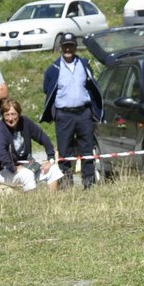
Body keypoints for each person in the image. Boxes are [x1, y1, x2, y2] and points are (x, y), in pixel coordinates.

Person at [40, 32, 103, 190]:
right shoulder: (54, 69)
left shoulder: (84, 64)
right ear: (60, 47)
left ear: (75, 47)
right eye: (65, 46)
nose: (68, 49)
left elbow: (92, 86)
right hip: (64, 115)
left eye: (71, 46)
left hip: (83, 113)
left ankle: (89, 184)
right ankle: (66, 184)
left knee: (87, 149)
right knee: (64, 151)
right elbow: (47, 88)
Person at [0, 99, 59, 192]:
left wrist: (50, 158)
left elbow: (42, 137)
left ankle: (53, 200)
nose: (10, 118)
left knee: (54, 169)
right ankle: (32, 205)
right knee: (27, 175)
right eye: (7, 115)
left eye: (13, 114)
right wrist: (13, 167)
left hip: (28, 166)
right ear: (2, 116)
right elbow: (0, 152)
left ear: (19, 114)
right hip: (7, 170)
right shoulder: (0, 128)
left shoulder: (25, 122)